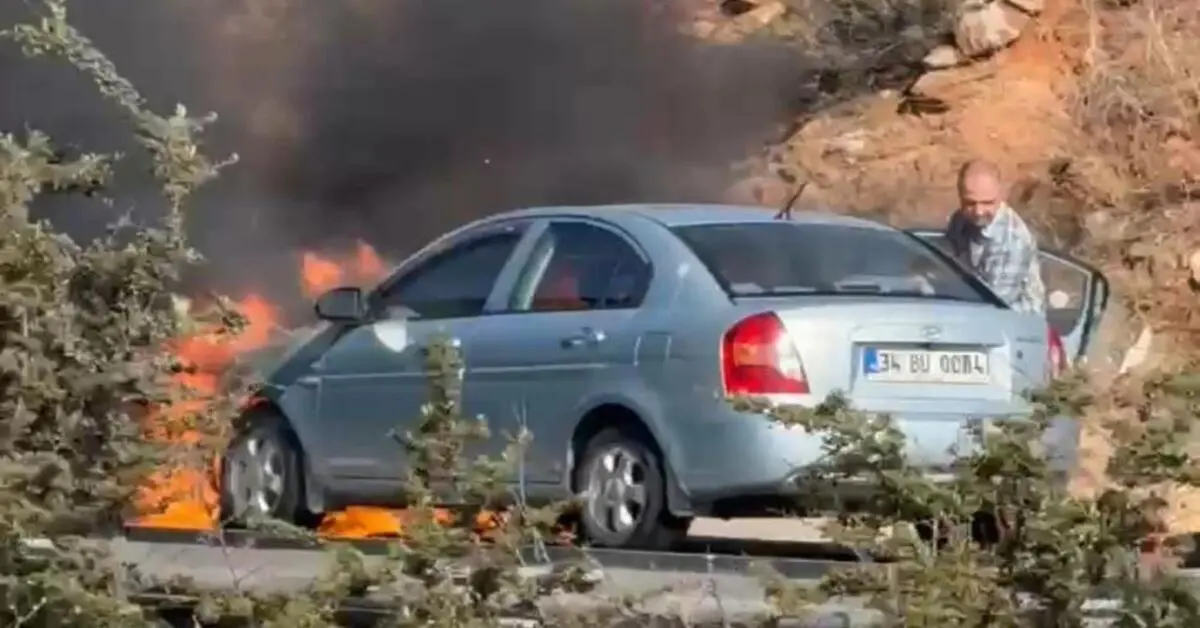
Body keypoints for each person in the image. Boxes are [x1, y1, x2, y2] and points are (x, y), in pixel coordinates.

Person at [945, 159, 1046, 313]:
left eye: (987, 203)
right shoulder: (960, 221)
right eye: (970, 203)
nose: (978, 211)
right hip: (971, 306)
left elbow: (996, 303)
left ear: (1001, 195)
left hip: (1015, 323)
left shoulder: (1013, 241)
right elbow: (949, 266)